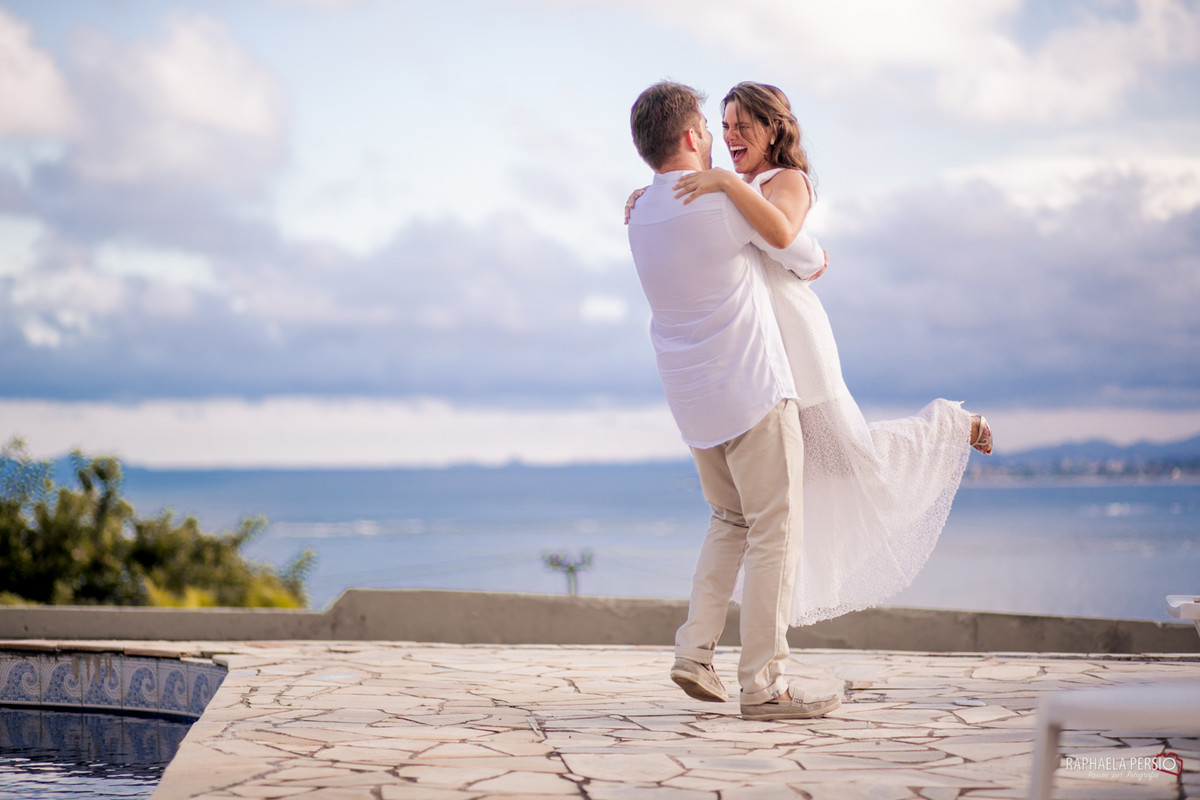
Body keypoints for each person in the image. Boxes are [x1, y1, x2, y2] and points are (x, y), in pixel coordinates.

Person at [640, 81, 992, 629]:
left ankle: (951, 425)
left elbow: (789, 243)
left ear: (774, 127)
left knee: (853, 460)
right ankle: (762, 637)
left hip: (796, 339)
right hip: (759, 351)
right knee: (796, 487)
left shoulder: (786, 180)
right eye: (724, 124)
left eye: (741, 124)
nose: (729, 135)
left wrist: (723, 190)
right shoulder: (726, 186)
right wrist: (654, 193)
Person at [626, 81, 842, 721]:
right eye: (712, 127)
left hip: (692, 404)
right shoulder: (723, 204)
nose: (723, 139)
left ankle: (694, 651)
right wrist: (730, 188)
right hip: (750, 390)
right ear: (695, 137)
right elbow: (804, 256)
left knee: (730, 521)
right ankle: (765, 683)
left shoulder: (638, 213)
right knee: (776, 528)